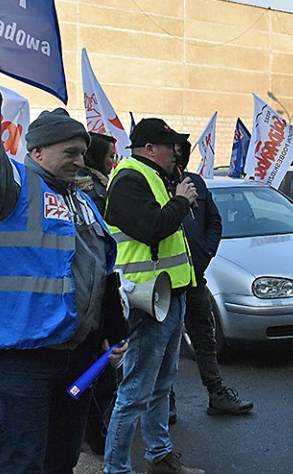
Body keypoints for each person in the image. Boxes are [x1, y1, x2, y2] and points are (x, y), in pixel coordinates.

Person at [0, 62, 125, 473]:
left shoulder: (81, 201)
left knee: (61, 458)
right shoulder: (11, 189)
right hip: (24, 359)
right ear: (37, 152)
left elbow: (97, 273)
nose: (79, 161)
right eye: (70, 153)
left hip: (79, 356)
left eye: (82, 153)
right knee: (24, 461)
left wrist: (110, 333)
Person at [103, 118, 204, 474]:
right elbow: (153, 229)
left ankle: (159, 457)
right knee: (134, 393)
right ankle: (116, 468)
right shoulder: (130, 179)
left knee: (161, 385)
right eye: (169, 145)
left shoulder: (156, 178)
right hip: (146, 301)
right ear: (149, 149)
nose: (175, 151)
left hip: (169, 297)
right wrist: (180, 203)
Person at [173, 140, 253, 419]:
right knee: (167, 346)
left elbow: (214, 222)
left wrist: (206, 252)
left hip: (195, 278)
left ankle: (217, 394)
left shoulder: (196, 183)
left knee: (204, 339)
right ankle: (166, 401)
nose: (178, 153)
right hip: (165, 283)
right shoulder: (155, 184)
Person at [73, 131, 119, 455]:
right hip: (89, 286)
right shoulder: (89, 189)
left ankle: (99, 431)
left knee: (104, 365)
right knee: (96, 371)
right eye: (110, 154)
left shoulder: (98, 184)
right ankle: (97, 435)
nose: (114, 160)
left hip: (102, 283)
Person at [76, 132, 118, 211]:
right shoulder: (93, 190)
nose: (113, 162)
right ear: (99, 157)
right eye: (111, 157)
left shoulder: (96, 183)